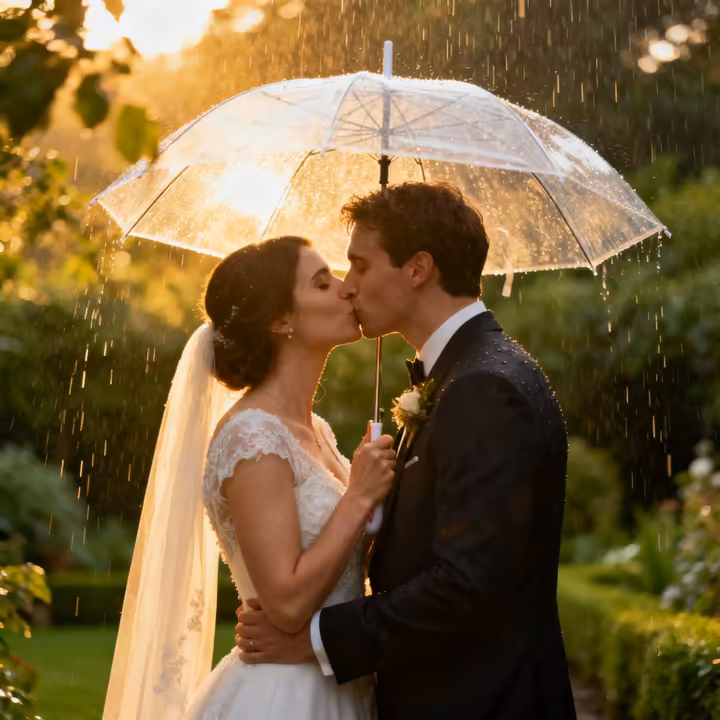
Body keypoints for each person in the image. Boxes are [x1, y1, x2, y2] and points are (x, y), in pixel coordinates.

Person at [236, 183, 577, 720]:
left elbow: (467, 588)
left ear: (417, 269)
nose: (349, 287)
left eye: (360, 266)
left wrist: (315, 640)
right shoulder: (464, 376)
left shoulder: (484, 388)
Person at [101, 236, 394, 720]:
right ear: (282, 320)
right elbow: (285, 603)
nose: (347, 289)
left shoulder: (316, 431)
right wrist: (359, 495)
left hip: (343, 679)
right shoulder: (252, 436)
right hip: (287, 695)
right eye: (323, 283)